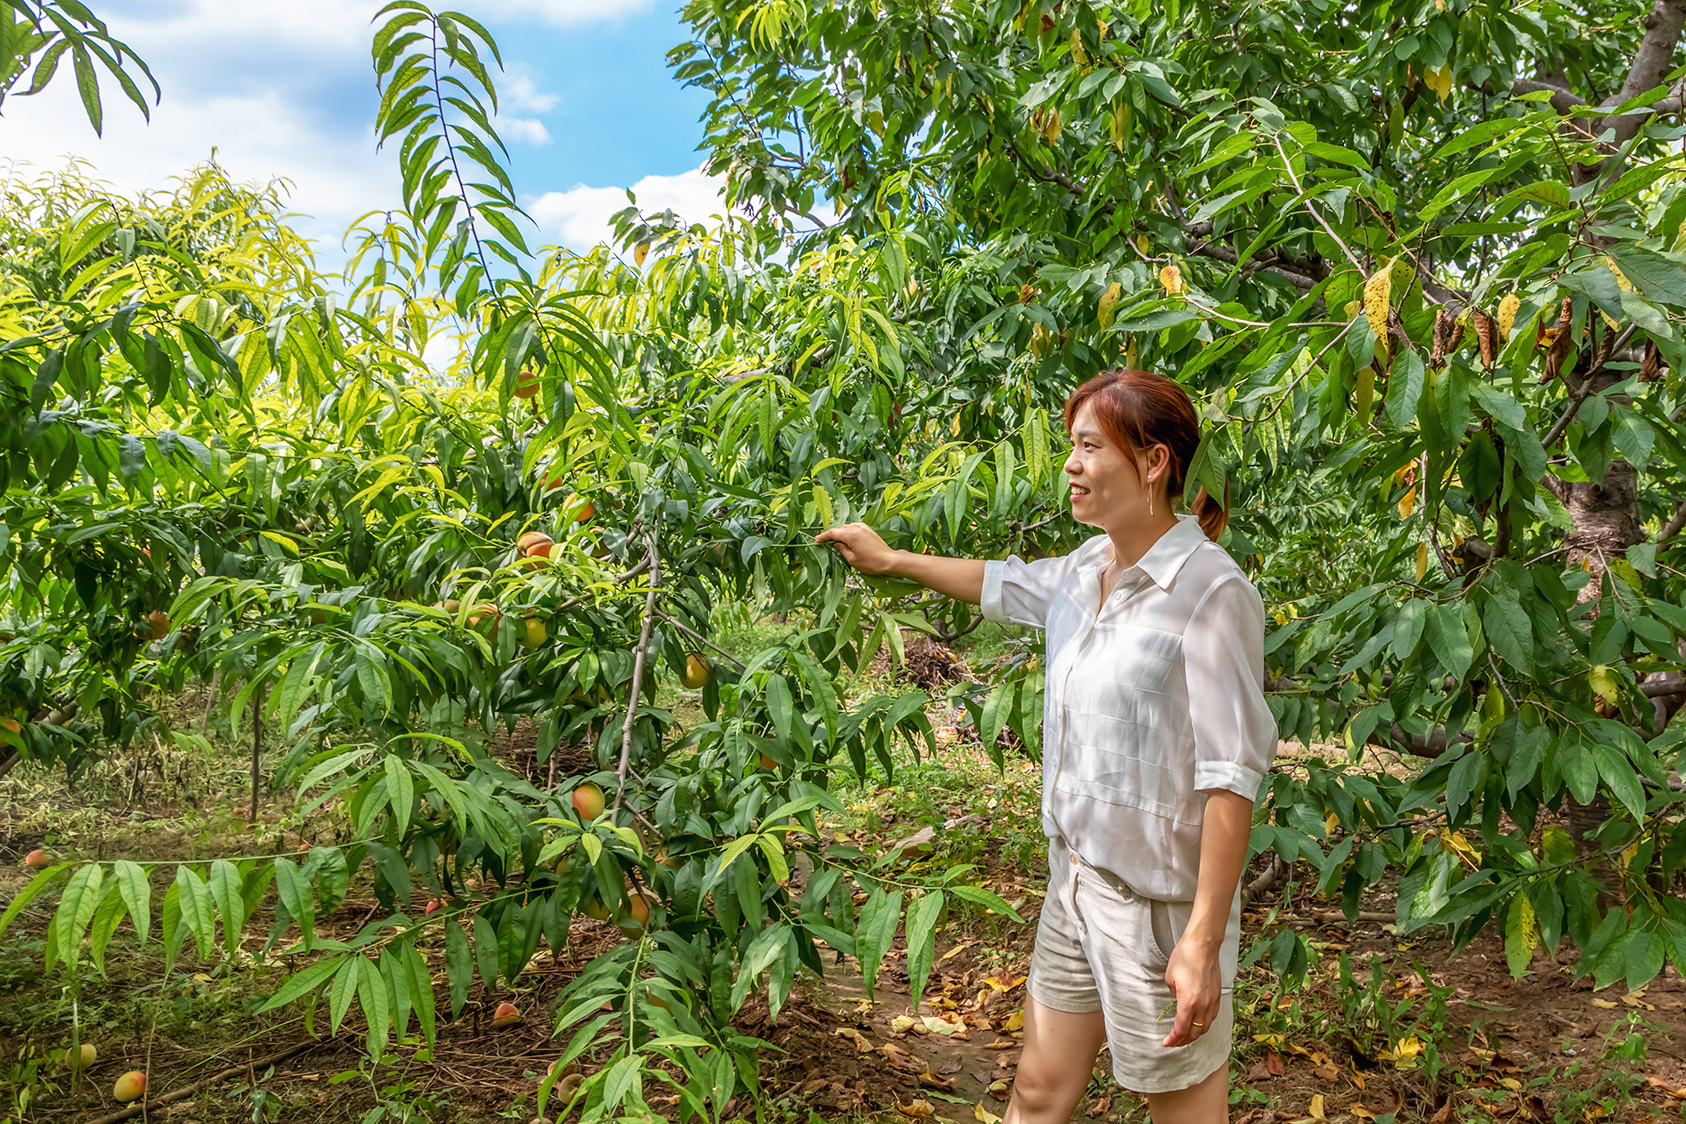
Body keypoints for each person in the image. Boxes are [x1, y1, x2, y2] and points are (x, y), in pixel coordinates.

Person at [817, 368, 1276, 1124]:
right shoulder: (1086, 568)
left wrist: (1199, 940)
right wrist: (893, 560)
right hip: (1073, 886)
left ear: (1154, 462)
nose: (1070, 464)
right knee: (1036, 1092)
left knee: (1181, 1114)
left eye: (1089, 447)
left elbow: (1230, 779)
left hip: (1158, 909)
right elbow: (998, 582)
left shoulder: (1211, 592)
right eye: (1072, 445)